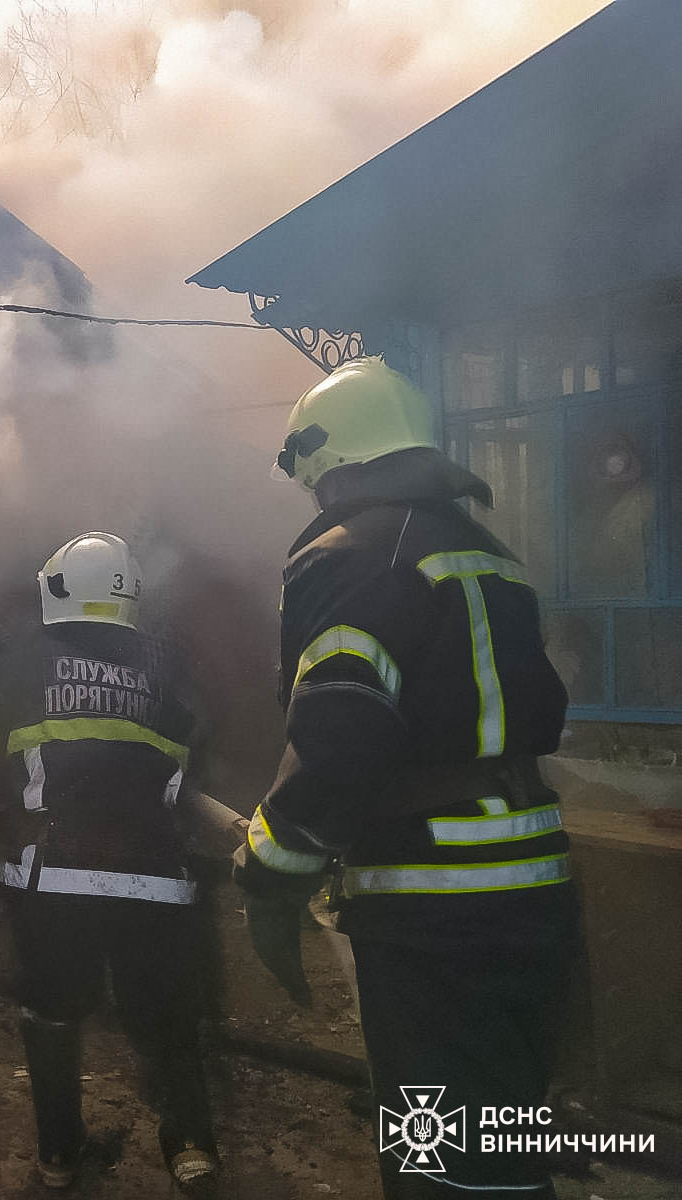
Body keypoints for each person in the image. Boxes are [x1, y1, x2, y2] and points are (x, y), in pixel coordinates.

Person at [233, 357, 581, 1199]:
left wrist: (268, 869)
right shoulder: (486, 551)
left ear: (329, 459)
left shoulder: (346, 556)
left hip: (436, 908)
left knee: (440, 1161)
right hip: (532, 883)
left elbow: (341, 743)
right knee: (504, 1134)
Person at [0, 532, 220, 1197]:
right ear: (130, 594)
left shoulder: (17, 660)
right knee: (166, 1017)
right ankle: (190, 1149)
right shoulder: (168, 665)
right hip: (155, 878)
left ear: (55, 589)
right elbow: (197, 744)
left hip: (52, 877)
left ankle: (57, 1156)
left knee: (52, 1011)